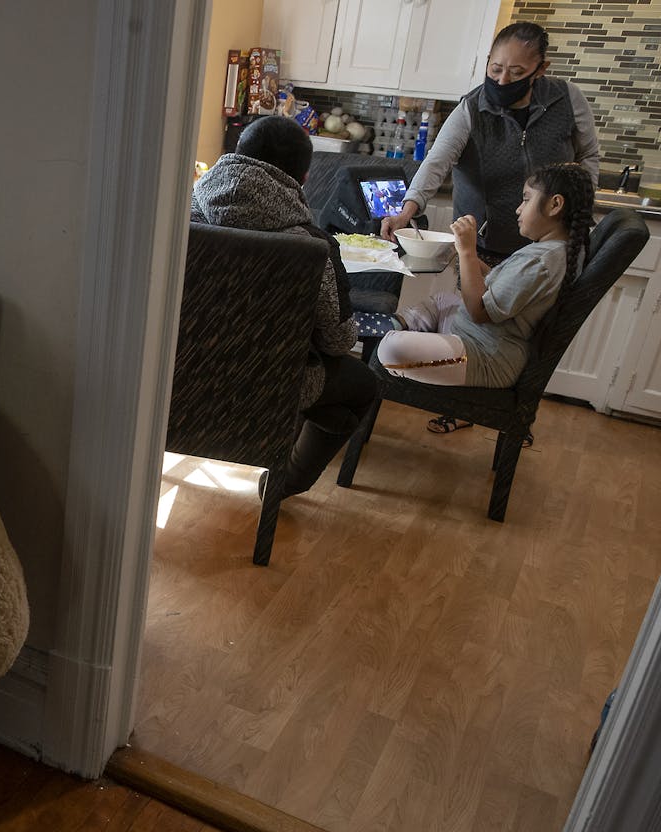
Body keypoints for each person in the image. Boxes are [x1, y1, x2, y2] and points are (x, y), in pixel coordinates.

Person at [378, 21, 600, 432]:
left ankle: (458, 394)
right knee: (463, 307)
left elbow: (589, 160)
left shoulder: (567, 101)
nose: (502, 79)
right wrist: (408, 210)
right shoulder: (473, 106)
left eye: (516, 73)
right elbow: (437, 161)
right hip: (491, 243)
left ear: (541, 68)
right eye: (495, 69)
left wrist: (575, 212)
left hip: (528, 263)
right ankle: (429, 350)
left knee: (481, 318)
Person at [191, 116, 376, 499]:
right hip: (268, 384)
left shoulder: (180, 217)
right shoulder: (311, 245)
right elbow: (339, 342)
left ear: (235, 155)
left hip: (179, 372)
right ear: (303, 179)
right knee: (362, 386)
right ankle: (284, 482)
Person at [377, 162, 594, 389]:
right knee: (441, 301)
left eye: (527, 199)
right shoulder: (553, 251)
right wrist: (461, 254)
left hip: (486, 356)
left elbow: (480, 312)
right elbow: (503, 287)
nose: (519, 209)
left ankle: (390, 331)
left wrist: (468, 252)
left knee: (391, 347)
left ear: (555, 204)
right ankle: (396, 324)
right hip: (480, 337)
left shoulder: (540, 262)